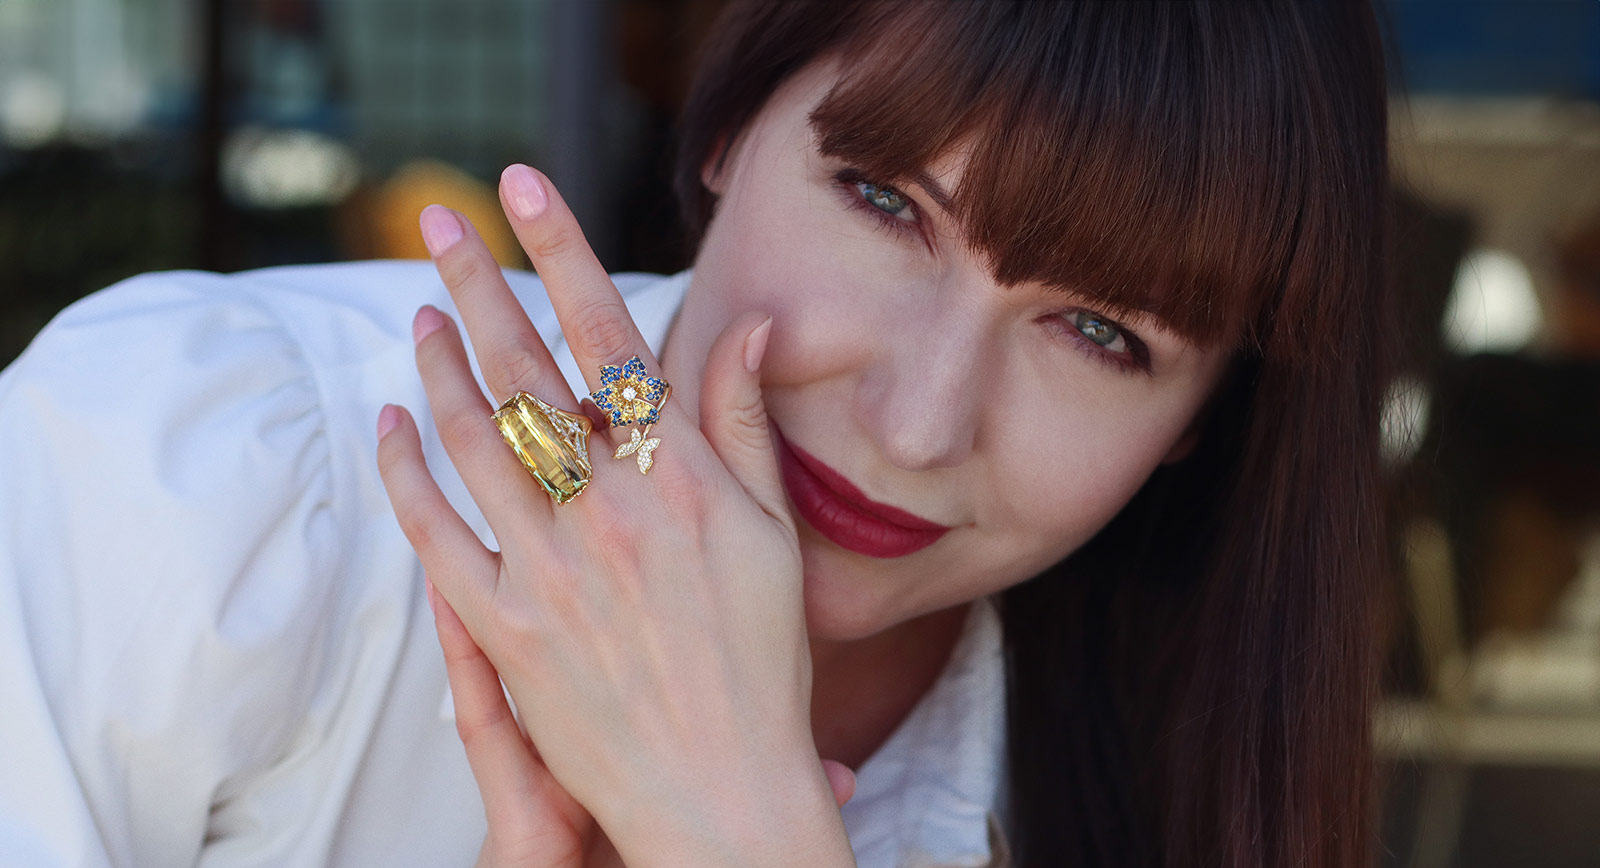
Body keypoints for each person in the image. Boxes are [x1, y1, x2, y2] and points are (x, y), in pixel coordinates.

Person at [0, 2, 1394, 867]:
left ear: (1205, 426)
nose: (915, 426)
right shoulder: (210, 483)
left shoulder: (1156, 774)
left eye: (1103, 335)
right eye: (887, 204)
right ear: (728, 124)